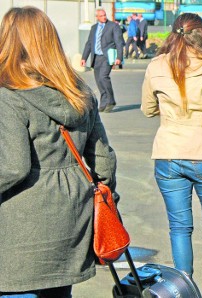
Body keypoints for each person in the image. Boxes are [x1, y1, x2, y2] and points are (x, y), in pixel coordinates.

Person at [0, 6, 118, 297]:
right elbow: (103, 161)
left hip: (19, 224)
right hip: (72, 217)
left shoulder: (8, 94)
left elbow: (13, 166)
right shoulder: (78, 90)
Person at [140, 13, 202, 298]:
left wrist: (171, 114)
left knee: (179, 227)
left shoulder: (156, 65)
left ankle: (184, 288)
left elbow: (147, 109)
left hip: (168, 153)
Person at [81, 7, 124, 113]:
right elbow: (89, 43)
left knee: (103, 77)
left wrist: (119, 57)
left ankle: (111, 101)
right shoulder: (94, 28)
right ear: (97, 17)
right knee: (99, 80)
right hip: (96, 58)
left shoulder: (113, 26)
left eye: (105, 15)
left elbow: (119, 42)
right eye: (101, 16)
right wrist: (84, 58)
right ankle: (104, 102)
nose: (104, 17)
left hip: (107, 57)